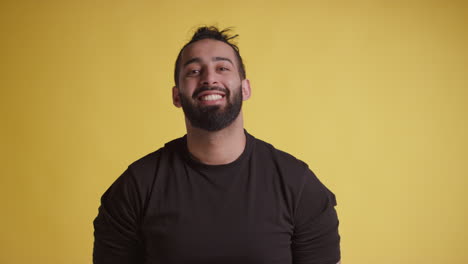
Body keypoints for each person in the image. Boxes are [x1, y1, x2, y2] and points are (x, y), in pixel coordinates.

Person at [93, 26, 341, 264]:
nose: (209, 78)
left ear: (245, 89)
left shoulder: (299, 186)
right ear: (177, 95)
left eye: (222, 68)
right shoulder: (135, 187)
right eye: (193, 71)